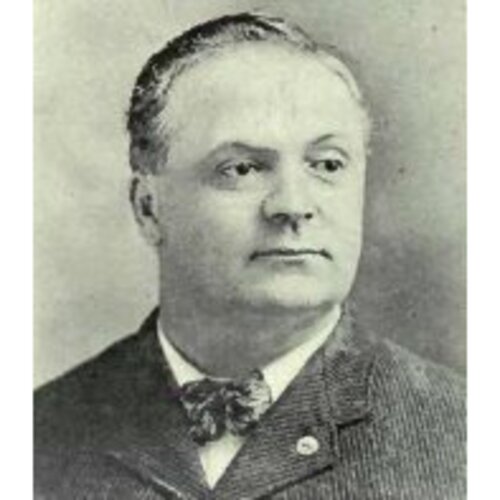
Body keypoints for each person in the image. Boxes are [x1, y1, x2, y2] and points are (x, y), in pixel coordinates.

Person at [34, 12, 465, 499]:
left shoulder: (463, 436)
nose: (293, 205)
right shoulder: (37, 434)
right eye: (241, 169)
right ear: (149, 208)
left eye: (327, 164)